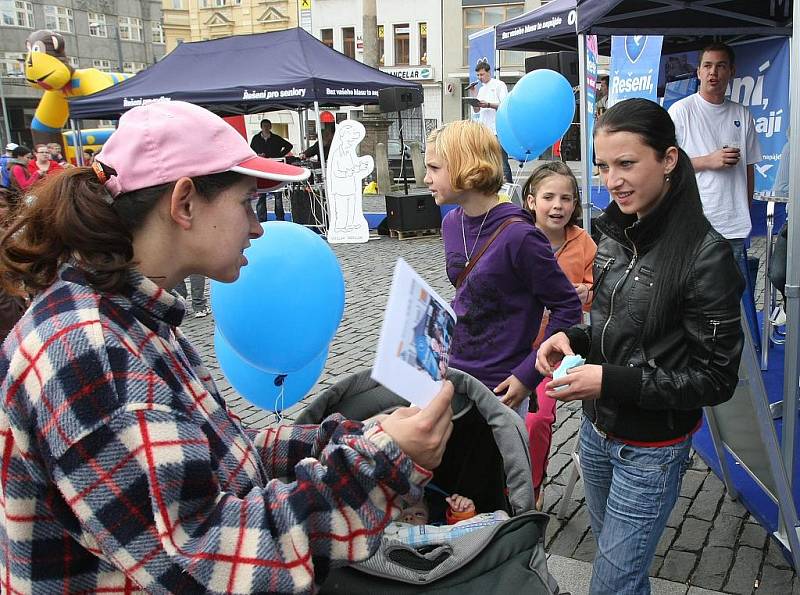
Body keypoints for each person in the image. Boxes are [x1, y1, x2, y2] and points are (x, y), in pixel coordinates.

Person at [0, 100, 454, 593]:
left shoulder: (131, 315)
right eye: (246, 204)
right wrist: (379, 465)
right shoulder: (90, 349)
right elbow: (206, 558)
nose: (258, 227)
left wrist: (362, 435)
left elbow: (220, 454)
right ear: (185, 203)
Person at [536, 98, 744, 595]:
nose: (613, 180)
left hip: (650, 451)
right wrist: (573, 338)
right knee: (624, 575)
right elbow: (615, 323)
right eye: (605, 166)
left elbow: (715, 379)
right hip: (596, 433)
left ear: (669, 160)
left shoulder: (706, 255)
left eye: (627, 163)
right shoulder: (614, 232)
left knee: (611, 583)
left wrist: (607, 379)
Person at [425, 120, 581, 419]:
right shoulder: (450, 223)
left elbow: (568, 308)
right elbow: (470, 292)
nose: (426, 177)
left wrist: (527, 375)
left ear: (464, 165)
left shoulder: (520, 236)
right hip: (452, 374)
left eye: (434, 167)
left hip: (501, 387)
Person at [667, 42, 761, 347]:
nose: (713, 73)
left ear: (731, 72)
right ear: (698, 71)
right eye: (707, 66)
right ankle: (690, 355)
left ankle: (726, 364)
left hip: (733, 226)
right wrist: (709, 160)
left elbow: (748, 170)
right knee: (690, 296)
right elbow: (665, 166)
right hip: (693, 224)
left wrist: (744, 210)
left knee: (730, 301)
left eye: (721, 66)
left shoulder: (742, 115)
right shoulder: (681, 111)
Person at [522, 161, 596, 509]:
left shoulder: (583, 243)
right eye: (549, 197)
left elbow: (600, 288)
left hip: (556, 351)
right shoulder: (517, 237)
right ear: (531, 201)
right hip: (514, 346)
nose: (558, 206)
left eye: (566, 198)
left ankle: (533, 486)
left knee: (537, 419)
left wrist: (585, 291)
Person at [469, 60, 513, 183]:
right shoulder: (481, 89)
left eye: (482, 74)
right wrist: (474, 98)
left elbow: (505, 106)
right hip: (485, 130)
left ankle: (509, 188)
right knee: (487, 161)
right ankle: (493, 186)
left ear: (489, 72)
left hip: (497, 129)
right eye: (478, 75)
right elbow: (477, 110)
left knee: (501, 162)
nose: (480, 77)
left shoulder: (499, 85)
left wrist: (488, 104)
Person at [250, 119, 293, 220]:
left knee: (278, 195)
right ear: (261, 127)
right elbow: (251, 151)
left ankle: (280, 218)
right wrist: (258, 155)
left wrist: (279, 156)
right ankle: (261, 219)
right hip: (260, 169)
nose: (266, 127)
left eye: (267, 125)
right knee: (261, 195)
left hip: (275, 168)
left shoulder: (276, 138)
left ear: (270, 127)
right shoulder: (256, 138)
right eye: (264, 125)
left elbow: (289, 146)